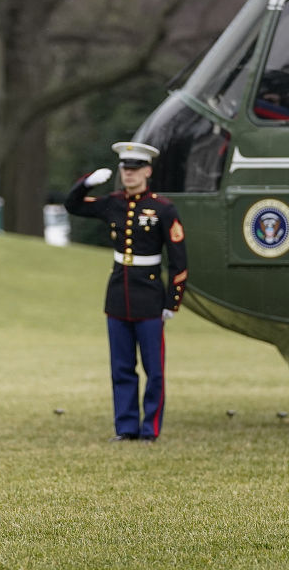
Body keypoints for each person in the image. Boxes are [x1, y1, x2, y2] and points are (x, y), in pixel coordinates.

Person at [65, 141, 187, 442]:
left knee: (154, 370)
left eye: (135, 169)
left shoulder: (163, 208)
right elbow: (73, 205)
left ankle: (150, 429)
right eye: (125, 169)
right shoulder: (113, 203)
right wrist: (87, 183)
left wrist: (174, 299)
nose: (129, 174)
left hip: (149, 296)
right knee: (121, 368)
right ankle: (126, 427)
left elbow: (179, 258)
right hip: (119, 295)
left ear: (147, 171)